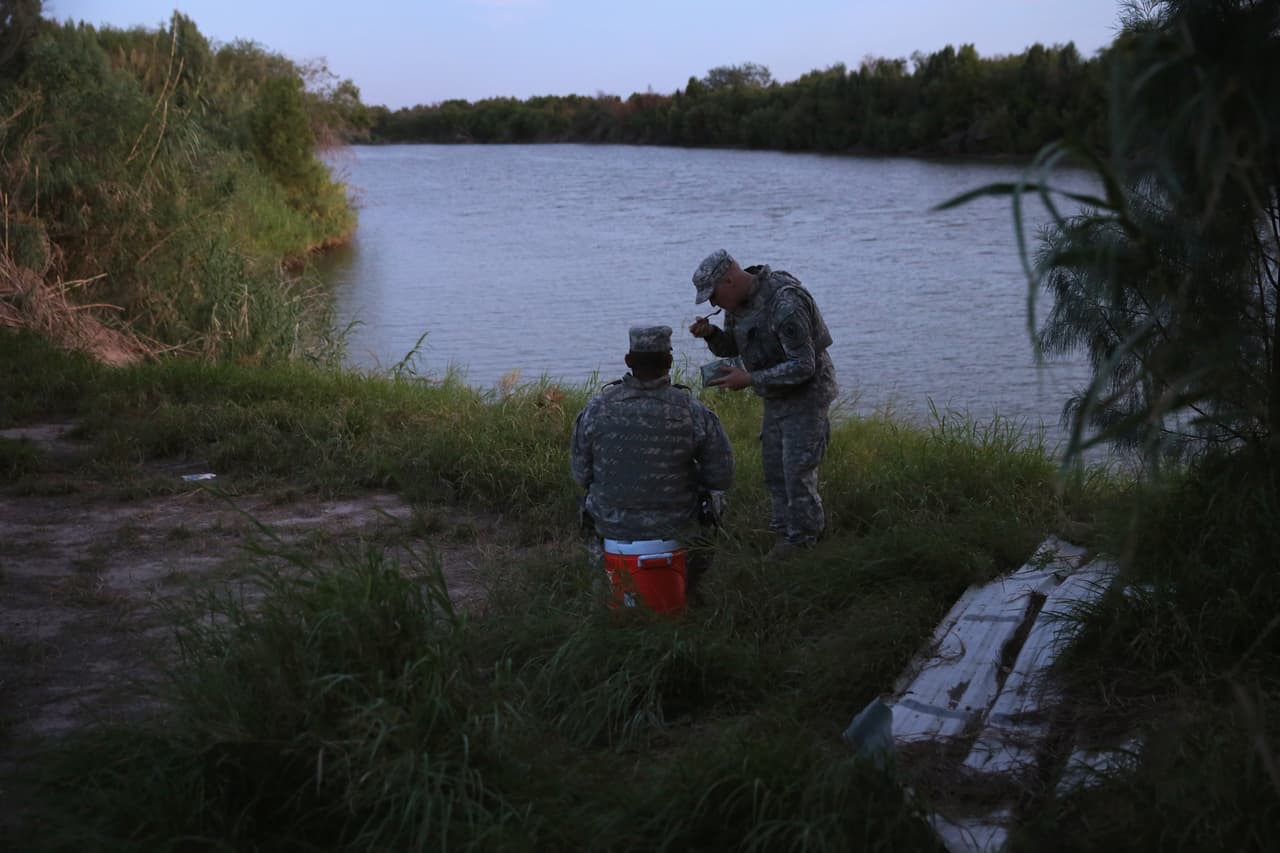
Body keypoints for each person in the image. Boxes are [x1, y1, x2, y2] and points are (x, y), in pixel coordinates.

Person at [688, 249, 838, 560]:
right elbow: (734, 344)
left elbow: (804, 365)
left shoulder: (785, 302)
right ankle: (786, 534)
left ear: (729, 280)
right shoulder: (740, 305)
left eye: (713, 296)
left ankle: (803, 542)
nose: (713, 304)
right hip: (777, 395)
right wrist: (711, 334)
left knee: (797, 470)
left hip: (807, 395)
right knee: (774, 469)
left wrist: (751, 379)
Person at [570, 325, 735, 600]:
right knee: (716, 497)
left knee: (588, 500)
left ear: (628, 361)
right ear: (669, 362)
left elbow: (580, 475)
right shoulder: (691, 411)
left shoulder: (596, 409)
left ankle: (605, 582)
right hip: (677, 528)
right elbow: (722, 476)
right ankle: (692, 586)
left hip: (613, 528)